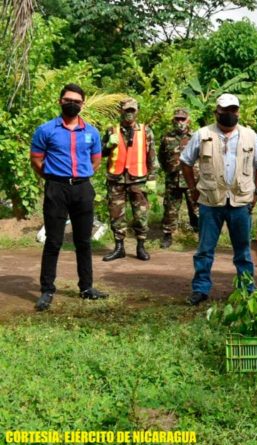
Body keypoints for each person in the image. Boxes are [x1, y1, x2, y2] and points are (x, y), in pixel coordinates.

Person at [180, 93, 257, 305]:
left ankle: (246, 288)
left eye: (233, 110)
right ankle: (200, 289)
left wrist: (255, 191)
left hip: (240, 201)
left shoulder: (250, 135)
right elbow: (185, 162)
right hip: (210, 201)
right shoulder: (202, 134)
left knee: (243, 252)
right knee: (204, 250)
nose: (229, 114)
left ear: (238, 112)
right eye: (224, 111)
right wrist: (193, 188)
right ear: (216, 112)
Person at [29, 83, 108, 311]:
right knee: (53, 241)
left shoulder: (91, 132)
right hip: (56, 189)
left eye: (76, 101)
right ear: (60, 101)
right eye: (68, 100)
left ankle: (86, 287)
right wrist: (53, 178)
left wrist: (81, 177)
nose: (72, 104)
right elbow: (36, 160)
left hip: (83, 189)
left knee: (83, 241)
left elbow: (96, 161)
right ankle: (47, 290)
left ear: (82, 105)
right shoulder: (45, 130)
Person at [101, 98, 157, 261]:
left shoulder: (146, 131)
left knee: (141, 215)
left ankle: (141, 247)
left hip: (138, 179)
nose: (129, 114)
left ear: (137, 111)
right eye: (127, 110)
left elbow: (151, 156)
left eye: (132, 110)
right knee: (116, 214)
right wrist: (108, 145)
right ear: (121, 111)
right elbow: (100, 153)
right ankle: (119, 247)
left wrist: (152, 177)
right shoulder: (112, 130)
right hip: (116, 179)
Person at [159, 108, 199, 248]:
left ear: (188, 120)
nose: (180, 122)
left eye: (183, 119)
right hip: (173, 180)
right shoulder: (167, 137)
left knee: (196, 208)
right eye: (177, 119)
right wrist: (169, 171)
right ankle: (167, 235)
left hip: (192, 180)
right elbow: (161, 158)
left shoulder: (196, 137)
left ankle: (200, 234)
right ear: (173, 120)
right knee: (170, 209)